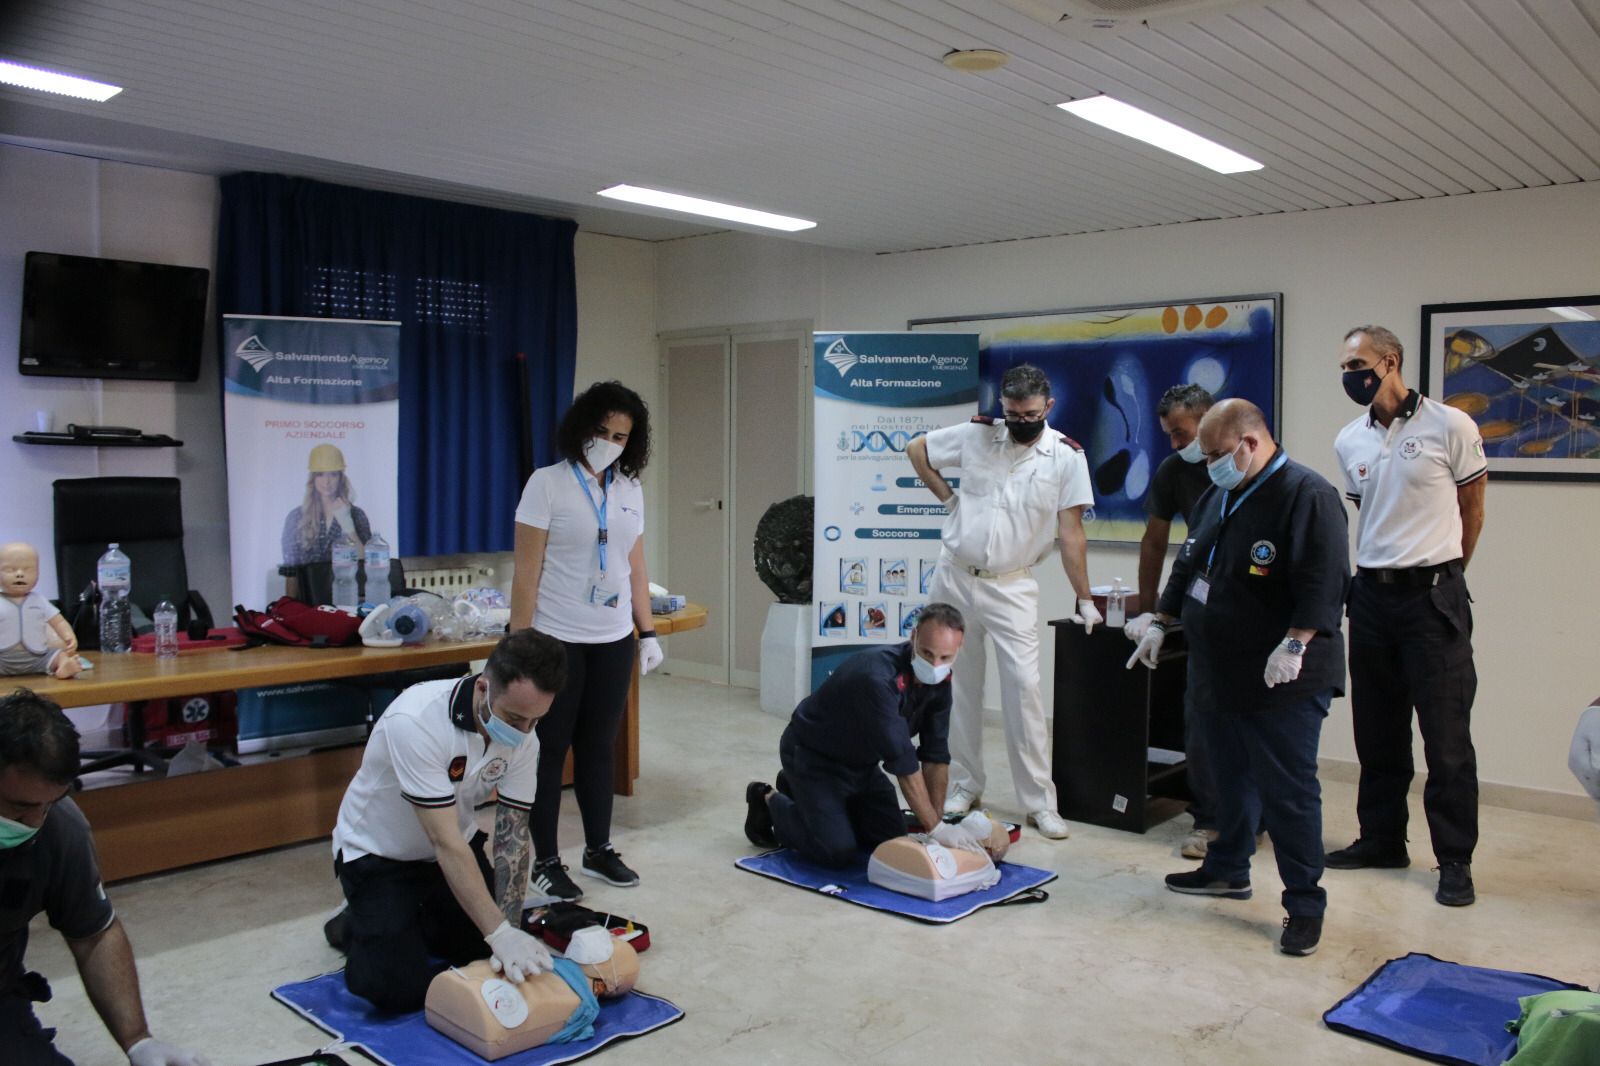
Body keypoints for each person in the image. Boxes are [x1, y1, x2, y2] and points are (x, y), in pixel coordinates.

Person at [1127, 399, 1348, 957]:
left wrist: (1296, 642)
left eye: (1218, 454)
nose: (1211, 465)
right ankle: (1227, 870)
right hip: (1217, 667)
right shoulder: (1218, 492)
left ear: (1251, 443)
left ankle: (1304, 903)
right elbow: (1190, 562)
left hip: (1284, 673)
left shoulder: (1307, 495)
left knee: (1288, 792)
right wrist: (1162, 619)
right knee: (1224, 778)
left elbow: (1324, 583)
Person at [1329, 325, 1488, 907]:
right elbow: (1367, 516)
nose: (1349, 374)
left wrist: (1447, 575)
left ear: (1390, 361)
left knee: (1446, 740)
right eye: (1344, 366)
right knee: (1377, 730)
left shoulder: (1450, 425)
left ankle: (1454, 859)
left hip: (1432, 598)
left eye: (1357, 363)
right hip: (1370, 597)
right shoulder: (1350, 439)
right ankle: (1381, 839)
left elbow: (1473, 510)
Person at [328, 629, 566, 1013]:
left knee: (481, 953)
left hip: (453, 846)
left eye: (535, 721)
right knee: (394, 988)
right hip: (379, 855)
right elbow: (444, 842)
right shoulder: (417, 720)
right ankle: (355, 922)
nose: (523, 733)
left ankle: (416, 919)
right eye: (516, 718)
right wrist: (499, 933)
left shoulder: (526, 737)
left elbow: (513, 837)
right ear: (484, 687)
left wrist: (509, 931)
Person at [906, 364, 1097, 839]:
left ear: (1047, 407)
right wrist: (949, 500)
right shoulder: (977, 436)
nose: (1020, 422)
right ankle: (965, 785)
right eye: (1012, 414)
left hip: (1011, 586)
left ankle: (1039, 802)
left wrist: (1085, 598)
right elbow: (917, 450)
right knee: (957, 687)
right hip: (954, 577)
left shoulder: (1067, 457)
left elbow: (1072, 535)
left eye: (1030, 414)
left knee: (1024, 691)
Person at [510, 381, 662, 902]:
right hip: (557, 639)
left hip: (613, 636)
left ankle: (599, 847)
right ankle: (546, 861)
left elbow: (634, 567)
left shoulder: (629, 490)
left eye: (622, 436)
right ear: (582, 428)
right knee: (550, 752)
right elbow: (525, 575)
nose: (611, 443)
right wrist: (518, 648)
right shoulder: (546, 485)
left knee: (599, 747)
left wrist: (647, 632)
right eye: (603, 431)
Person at [0, 688, 209, 1065]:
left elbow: (94, 934)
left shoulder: (59, 828)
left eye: (48, 804)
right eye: (20, 808)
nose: (35, 821)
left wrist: (138, 1041)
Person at [742, 604, 977, 865]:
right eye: (927, 653)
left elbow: (935, 756)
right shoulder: (877, 679)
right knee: (836, 851)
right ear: (913, 637)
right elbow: (904, 763)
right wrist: (936, 829)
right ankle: (769, 799)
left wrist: (935, 823)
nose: (935, 665)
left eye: (944, 658)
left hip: (861, 764)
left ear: (959, 648)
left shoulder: (941, 682)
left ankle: (806, 796)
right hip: (812, 755)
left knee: (890, 842)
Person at [1122, 385, 1217, 858]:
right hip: (1200, 603)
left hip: (1254, 609)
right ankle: (1209, 821)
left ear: (1209, 419)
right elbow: (1156, 542)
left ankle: (1257, 816)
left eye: (1182, 433)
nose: (1177, 443)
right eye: (1169, 435)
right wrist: (1148, 609)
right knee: (1200, 718)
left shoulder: (1249, 463)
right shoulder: (1173, 471)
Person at [280, 443, 371, 566]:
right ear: (313, 478)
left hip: (344, 584)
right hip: (306, 585)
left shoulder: (356, 514)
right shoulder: (296, 517)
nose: (327, 482)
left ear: (340, 478)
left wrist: (348, 526)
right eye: (320, 474)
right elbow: (290, 567)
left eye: (333, 474)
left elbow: (366, 562)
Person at [1, 543, 82, 679]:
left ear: (38, 573)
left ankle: (64, 667)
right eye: (10, 570)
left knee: (59, 654)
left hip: (37, 657)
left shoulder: (40, 600)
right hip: (3, 658)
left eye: (28, 570)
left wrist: (68, 635)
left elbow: (59, 622)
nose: (20, 574)